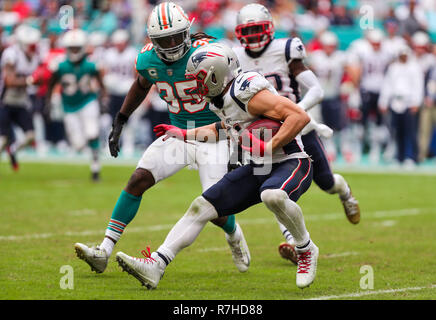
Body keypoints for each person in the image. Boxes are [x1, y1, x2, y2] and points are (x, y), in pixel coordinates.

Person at [115, 42, 319, 289]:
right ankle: (156, 265)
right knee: (202, 207)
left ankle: (306, 249)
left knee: (272, 196)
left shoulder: (246, 90)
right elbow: (222, 129)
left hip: (291, 160)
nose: (195, 85)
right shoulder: (220, 99)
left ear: (215, 75)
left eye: (198, 78)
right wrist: (182, 133)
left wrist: (270, 144)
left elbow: (299, 115)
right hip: (258, 166)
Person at [74, 2, 250, 275]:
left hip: (213, 137)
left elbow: (236, 91)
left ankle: (234, 233)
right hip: (177, 134)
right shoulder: (148, 59)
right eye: (162, 39)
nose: (169, 44)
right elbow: (142, 83)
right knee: (138, 179)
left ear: (187, 32)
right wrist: (121, 118)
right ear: (151, 39)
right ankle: (104, 250)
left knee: (216, 208)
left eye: (175, 36)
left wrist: (238, 140)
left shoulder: (207, 53)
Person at [232, 4, 360, 264]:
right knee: (272, 189)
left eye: (259, 29)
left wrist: (292, 114)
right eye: (249, 31)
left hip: (297, 126)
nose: (255, 36)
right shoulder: (234, 57)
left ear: (269, 28)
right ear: (239, 33)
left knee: (326, 182)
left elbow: (316, 90)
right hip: (263, 133)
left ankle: (345, 191)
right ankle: (295, 241)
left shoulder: (287, 49)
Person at [46, 28, 106, 181]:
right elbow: (51, 84)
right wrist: (47, 103)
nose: (73, 50)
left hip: (88, 101)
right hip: (69, 106)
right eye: (71, 47)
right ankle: (91, 149)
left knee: (92, 132)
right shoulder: (60, 65)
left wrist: (104, 99)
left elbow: (101, 83)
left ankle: (95, 168)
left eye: (76, 47)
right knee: (78, 144)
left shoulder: (91, 65)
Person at [0, 25, 41, 171]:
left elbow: (38, 78)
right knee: (2, 139)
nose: (34, 46)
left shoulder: (34, 57)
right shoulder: (12, 54)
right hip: (5, 101)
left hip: (21, 102)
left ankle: (13, 149)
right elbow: (9, 81)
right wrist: (30, 81)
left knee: (30, 136)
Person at [378, 45, 424, 166]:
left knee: (410, 131)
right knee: (397, 131)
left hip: (409, 102)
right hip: (395, 102)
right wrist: (383, 101)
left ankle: (410, 156)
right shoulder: (393, 68)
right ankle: (399, 156)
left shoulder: (414, 68)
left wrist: (416, 102)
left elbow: (418, 86)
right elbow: (387, 85)